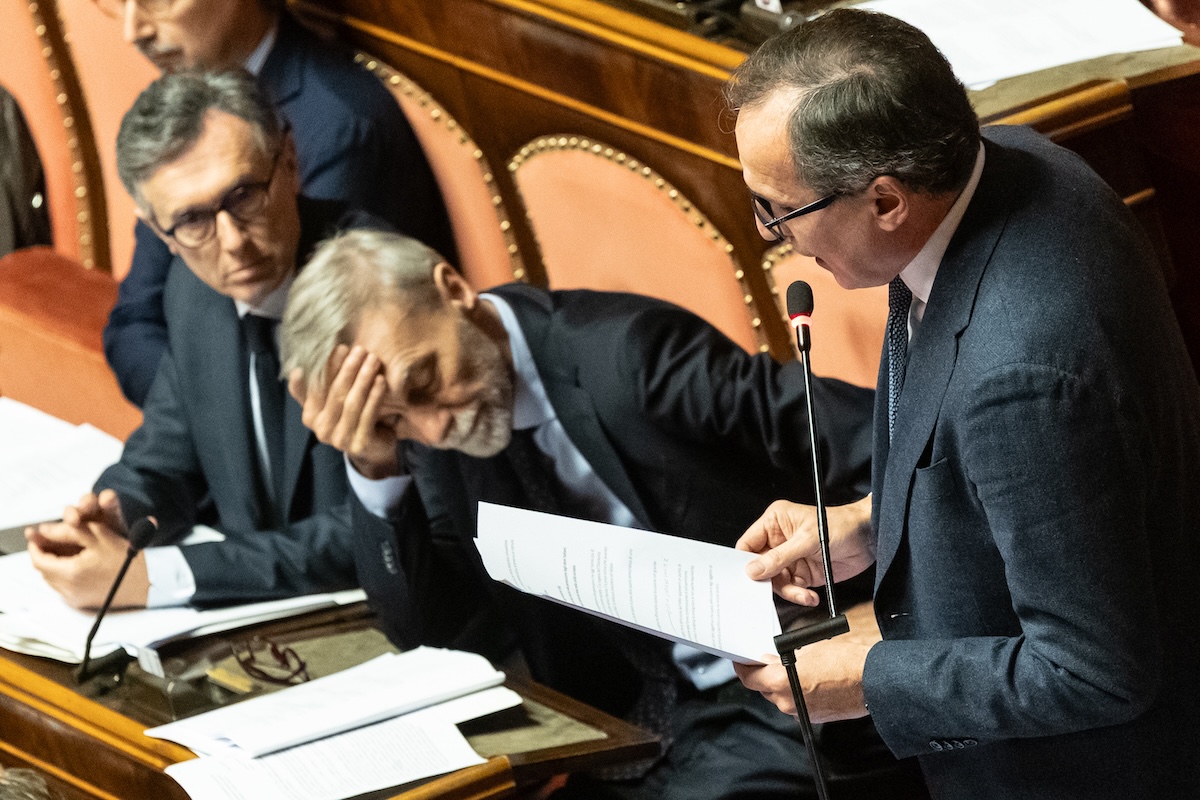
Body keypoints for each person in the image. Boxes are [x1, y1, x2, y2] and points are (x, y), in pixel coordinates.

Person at [725, 9, 1200, 800]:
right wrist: (869, 521)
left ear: (885, 201)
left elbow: (1094, 670)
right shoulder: (1005, 160)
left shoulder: (1021, 372)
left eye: (779, 208)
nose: (777, 237)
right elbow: (1057, 485)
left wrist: (873, 676)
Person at [278, 228, 930, 799]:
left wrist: (880, 595)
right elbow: (429, 630)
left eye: (423, 382)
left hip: (780, 699)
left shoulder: (625, 354)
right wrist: (374, 468)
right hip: (627, 731)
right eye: (397, 421)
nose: (432, 423)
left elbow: (890, 442)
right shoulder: (435, 442)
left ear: (452, 288)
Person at [24, 69, 380, 609]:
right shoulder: (194, 291)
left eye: (243, 196)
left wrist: (157, 577)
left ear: (289, 162)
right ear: (157, 229)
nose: (232, 242)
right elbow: (164, 460)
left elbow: (374, 532)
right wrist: (118, 513)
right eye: (192, 220)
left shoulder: (381, 295)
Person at [100, 0, 455, 406]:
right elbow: (133, 327)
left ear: (287, 160)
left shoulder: (339, 128)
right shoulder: (179, 114)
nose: (133, 30)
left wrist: (206, 426)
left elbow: (318, 370)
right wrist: (194, 431)